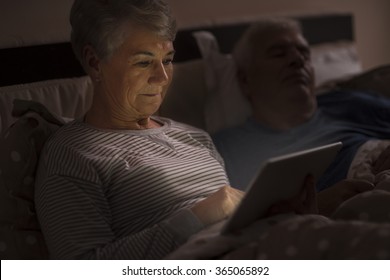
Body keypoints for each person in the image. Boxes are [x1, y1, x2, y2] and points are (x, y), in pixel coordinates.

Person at [33, 1, 380, 260]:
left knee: (373, 203)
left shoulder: (194, 137)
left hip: (260, 243)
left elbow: (232, 222)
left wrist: (292, 210)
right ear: (95, 62)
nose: (162, 77)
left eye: (167, 59)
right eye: (143, 62)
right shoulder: (74, 153)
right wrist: (200, 215)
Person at [212, 17, 390, 191]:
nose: (297, 60)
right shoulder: (225, 149)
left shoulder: (352, 104)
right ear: (245, 80)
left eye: (304, 53)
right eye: (278, 53)